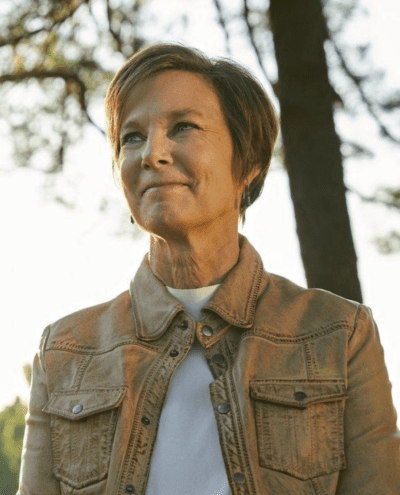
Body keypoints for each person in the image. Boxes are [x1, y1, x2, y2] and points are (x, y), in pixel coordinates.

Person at [17, 42, 400, 495]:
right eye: (132, 137)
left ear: (248, 163)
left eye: (183, 127)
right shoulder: (64, 352)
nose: (151, 154)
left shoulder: (340, 334)